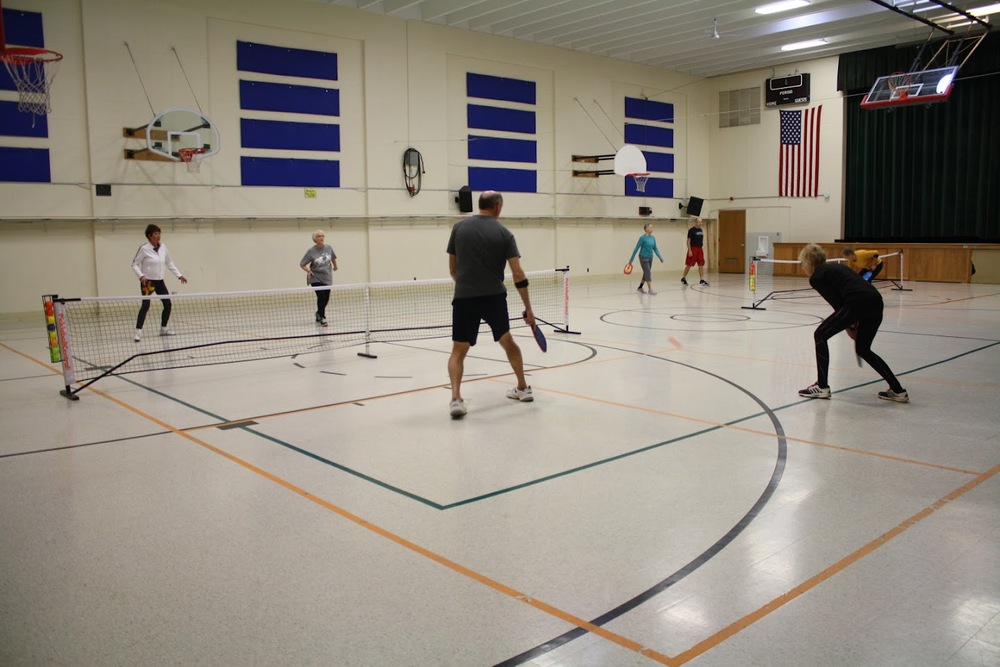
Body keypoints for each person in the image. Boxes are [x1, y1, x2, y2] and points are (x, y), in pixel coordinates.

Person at [446, 191, 536, 419]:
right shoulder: (505, 234)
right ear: (497, 206)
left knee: (458, 350)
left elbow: (453, 270)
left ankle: (456, 399)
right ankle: (523, 388)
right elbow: (518, 274)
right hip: (494, 297)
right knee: (507, 341)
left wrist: (467, 286)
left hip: (464, 297)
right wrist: (529, 309)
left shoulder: (458, 228)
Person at [797, 243, 908, 402]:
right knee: (863, 349)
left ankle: (822, 386)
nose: (802, 267)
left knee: (820, 335)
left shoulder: (817, 277)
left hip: (856, 303)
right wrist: (852, 322)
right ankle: (898, 390)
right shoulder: (836, 268)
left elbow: (837, 303)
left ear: (808, 262)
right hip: (875, 301)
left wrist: (850, 326)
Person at [131, 224, 187, 342]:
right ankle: (138, 332)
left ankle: (163, 329)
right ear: (150, 236)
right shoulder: (144, 248)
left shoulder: (163, 247)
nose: (158, 236)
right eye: (156, 234)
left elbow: (169, 263)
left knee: (168, 304)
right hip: (148, 282)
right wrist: (141, 276)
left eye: (159, 233)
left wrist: (179, 275)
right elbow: (135, 264)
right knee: (145, 306)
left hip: (160, 282)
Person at [300, 230, 338, 326]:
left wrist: (335, 266)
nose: (321, 238)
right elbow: (302, 264)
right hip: (315, 278)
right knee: (321, 297)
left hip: (327, 277)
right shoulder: (311, 251)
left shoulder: (329, 248)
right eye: (319, 236)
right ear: (315, 239)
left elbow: (333, 257)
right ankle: (322, 317)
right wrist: (309, 271)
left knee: (326, 298)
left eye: (323, 236)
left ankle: (318, 313)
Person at [629, 222, 664, 294]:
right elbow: (636, 249)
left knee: (646, 273)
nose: (652, 229)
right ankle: (650, 289)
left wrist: (660, 257)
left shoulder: (653, 238)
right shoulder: (642, 238)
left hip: (650, 257)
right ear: (646, 229)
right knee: (648, 272)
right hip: (643, 257)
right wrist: (631, 260)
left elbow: (655, 248)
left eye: (652, 227)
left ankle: (640, 287)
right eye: (650, 227)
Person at [681, 217, 709, 286]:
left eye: (701, 222)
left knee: (701, 264)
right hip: (693, 249)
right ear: (696, 222)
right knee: (689, 264)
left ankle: (701, 279)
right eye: (699, 222)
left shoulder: (701, 230)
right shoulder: (691, 230)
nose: (700, 223)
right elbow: (688, 241)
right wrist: (690, 250)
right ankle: (683, 278)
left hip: (700, 249)